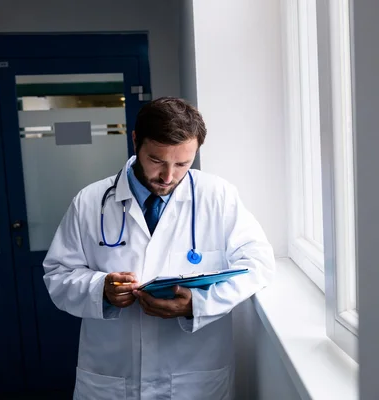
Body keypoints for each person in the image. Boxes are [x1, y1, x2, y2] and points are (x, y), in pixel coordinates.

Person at [42, 97, 275, 400]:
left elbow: (258, 263)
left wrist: (198, 304)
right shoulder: (90, 202)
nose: (168, 176)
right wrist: (102, 289)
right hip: (113, 376)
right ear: (136, 140)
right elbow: (58, 274)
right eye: (156, 161)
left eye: (182, 164)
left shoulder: (218, 197)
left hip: (193, 376)